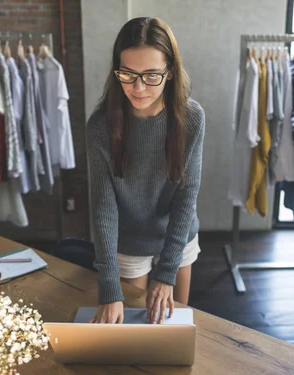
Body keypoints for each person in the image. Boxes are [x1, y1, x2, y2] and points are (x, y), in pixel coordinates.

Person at [86, 17, 205, 325]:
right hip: (128, 240)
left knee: (171, 328)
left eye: (151, 75)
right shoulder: (101, 127)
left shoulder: (191, 118)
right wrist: (109, 287)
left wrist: (166, 271)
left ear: (170, 72)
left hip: (177, 235)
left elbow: (186, 195)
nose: (137, 88)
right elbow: (103, 208)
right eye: (127, 74)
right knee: (128, 331)